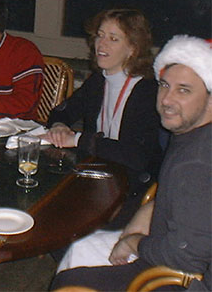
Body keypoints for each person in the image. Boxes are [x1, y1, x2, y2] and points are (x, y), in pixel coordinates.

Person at [50, 35, 212, 291]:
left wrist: (134, 242)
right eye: (165, 85)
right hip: (165, 243)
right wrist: (146, 214)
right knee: (79, 248)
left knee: (71, 282)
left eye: (184, 90)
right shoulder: (190, 135)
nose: (167, 100)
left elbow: (187, 256)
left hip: (182, 278)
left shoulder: (198, 162)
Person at [43, 9, 162, 224]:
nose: (101, 44)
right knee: (44, 198)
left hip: (132, 185)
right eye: (100, 35)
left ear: (132, 49)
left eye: (113, 39)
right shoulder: (99, 81)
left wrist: (79, 140)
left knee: (58, 217)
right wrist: (60, 124)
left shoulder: (148, 92)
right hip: (97, 173)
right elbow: (62, 111)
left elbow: (137, 156)